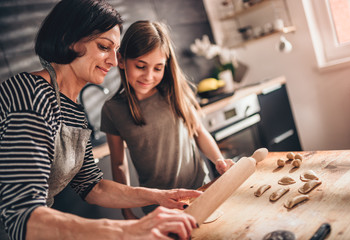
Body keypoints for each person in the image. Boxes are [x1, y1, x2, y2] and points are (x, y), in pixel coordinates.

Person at [0, 1, 202, 240]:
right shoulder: (30, 94)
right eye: (104, 47)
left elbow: (92, 186)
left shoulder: (74, 110)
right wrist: (126, 230)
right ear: (69, 39)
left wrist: (159, 196)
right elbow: (20, 214)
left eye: (116, 51)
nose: (114, 61)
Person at [100, 20, 235, 219]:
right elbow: (119, 164)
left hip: (201, 190)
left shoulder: (175, 93)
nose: (148, 75)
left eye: (158, 68)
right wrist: (126, 210)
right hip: (160, 207)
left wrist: (219, 161)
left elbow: (198, 132)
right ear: (121, 60)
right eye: (140, 66)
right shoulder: (112, 110)